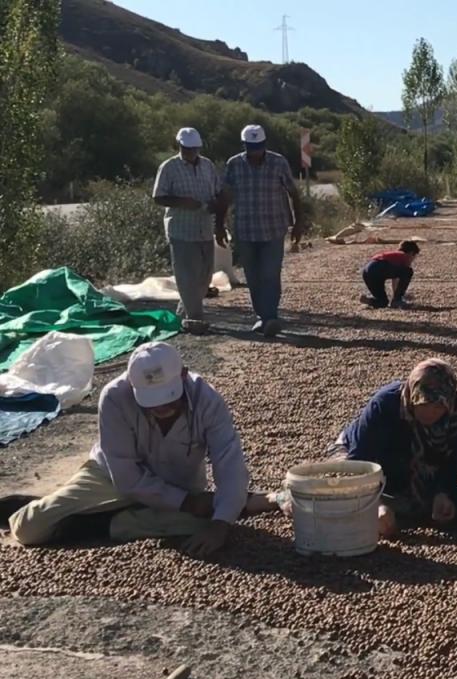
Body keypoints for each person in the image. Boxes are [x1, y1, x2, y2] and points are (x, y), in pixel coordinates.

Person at [1, 342, 274, 557]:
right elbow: (126, 476)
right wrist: (188, 503)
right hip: (110, 478)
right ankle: (64, 506)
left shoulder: (207, 399)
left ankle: (98, 521)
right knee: (27, 529)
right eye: (151, 401)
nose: (161, 408)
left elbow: (229, 461)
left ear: (183, 375)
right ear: (132, 386)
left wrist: (220, 525)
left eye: (168, 398)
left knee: (215, 521)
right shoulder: (114, 397)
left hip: (177, 482)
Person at [331, 359, 457, 538]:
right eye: (424, 403)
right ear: (412, 396)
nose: (431, 411)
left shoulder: (456, 413)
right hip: (364, 455)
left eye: (439, 406)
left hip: (416, 463)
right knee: (340, 494)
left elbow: (450, 458)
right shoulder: (385, 404)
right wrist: (375, 505)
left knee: (445, 509)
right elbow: (359, 460)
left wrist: (443, 493)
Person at [216, 124, 305, 338]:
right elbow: (225, 196)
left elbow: (293, 193)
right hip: (245, 230)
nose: (255, 152)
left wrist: (298, 222)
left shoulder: (278, 162)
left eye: (259, 147)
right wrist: (219, 225)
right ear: (244, 145)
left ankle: (270, 316)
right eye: (251, 147)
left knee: (270, 274)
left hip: (273, 228)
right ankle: (262, 316)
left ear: (264, 144)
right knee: (253, 275)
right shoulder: (234, 164)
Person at [152, 127, 220, 335]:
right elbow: (158, 197)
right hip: (181, 229)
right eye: (187, 149)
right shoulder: (169, 167)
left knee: (204, 277)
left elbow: (217, 191)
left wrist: (217, 209)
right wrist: (182, 202)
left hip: (204, 228)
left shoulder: (207, 165)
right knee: (187, 276)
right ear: (180, 146)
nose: (191, 152)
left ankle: (183, 314)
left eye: (194, 148)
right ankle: (195, 318)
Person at [360, 241, 420, 309]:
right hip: (377, 267)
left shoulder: (394, 256)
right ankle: (397, 301)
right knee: (408, 271)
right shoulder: (403, 256)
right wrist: (398, 297)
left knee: (383, 302)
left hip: (367, 271)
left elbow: (395, 278)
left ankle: (368, 300)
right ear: (411, 253)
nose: (412, 260)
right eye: (414, 257)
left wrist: (396, 296)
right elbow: (400, 277)